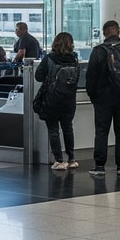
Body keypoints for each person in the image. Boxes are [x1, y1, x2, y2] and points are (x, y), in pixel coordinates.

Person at [85, 19, 120, 177]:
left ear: (104, 33)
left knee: (101, 131)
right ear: (118, 32)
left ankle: (100, 166)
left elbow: (90, 76)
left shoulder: (99, 51)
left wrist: (93, 95)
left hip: (103, 98)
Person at [33, 32, 81, 170]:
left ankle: (59, 161)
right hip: (69, 99)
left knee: (54, 129)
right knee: (68, 128)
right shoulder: (74, 59)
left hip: (52, 99)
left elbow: (38, 76)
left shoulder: (49, 58)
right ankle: (71, 159)